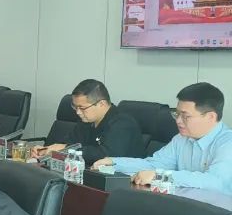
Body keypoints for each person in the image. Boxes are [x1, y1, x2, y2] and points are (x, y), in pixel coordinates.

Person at [95, 82, 232, 194]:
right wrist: (114, 162)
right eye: (176, 114)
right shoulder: (181, 139)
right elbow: (154, 165)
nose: (178, 121)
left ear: (210, 117)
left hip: (220, 214)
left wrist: (159, 176)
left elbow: (215, 182)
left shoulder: (227, 143)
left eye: (185, 116)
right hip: (187, 205)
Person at [31, 79, 143, 166]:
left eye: (82, 108)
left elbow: (104, 155)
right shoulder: (86, 120)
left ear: (101, 104)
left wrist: (64, 149)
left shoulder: (123, 123)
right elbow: (69, 142)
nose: (78, 112)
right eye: (75, 107)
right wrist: (47, 150)